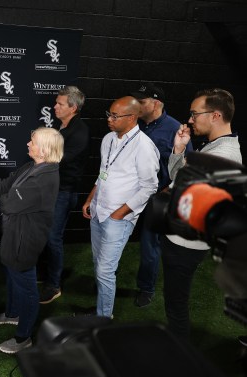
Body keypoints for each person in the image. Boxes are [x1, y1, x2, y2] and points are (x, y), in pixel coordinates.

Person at [0, 128, 62, 354]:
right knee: (11, 273)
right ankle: (12, 314)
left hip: (25, 241)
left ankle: (23, 338)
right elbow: (1, 188)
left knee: (28, 288)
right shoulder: (31, 167)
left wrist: (2, 197)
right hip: (12, 236)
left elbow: (8, 204)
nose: (28, 144)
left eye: (32, 142)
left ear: (44, 149)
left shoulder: (45, 178)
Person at [162, 88, 242, 340]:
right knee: (174, 300)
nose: (190, 120)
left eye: (195, 114)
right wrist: (179, 150)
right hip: (182, 240)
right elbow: (177, 178)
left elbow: (177, 190)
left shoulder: (222, 155)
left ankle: (178, 360)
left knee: (176, 304)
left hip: (185, 244)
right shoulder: (214, 148)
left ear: (215, 115)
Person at [82, 96, 159, 318]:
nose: (109, 119)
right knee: (99, 265)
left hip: (119, 218)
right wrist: (90, 199)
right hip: (98, 210)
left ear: (132, 118)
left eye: (115, 116)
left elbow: (149, 187)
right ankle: (101, 309)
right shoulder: (107, 139)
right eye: (109, 114)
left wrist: (120, 213)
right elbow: (103, 173)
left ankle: (104, 318)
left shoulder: (144, 146)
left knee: (105, 271)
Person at [129, 82, 192, 308]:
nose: (136, 105)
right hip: (128, 195)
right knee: (115, 240)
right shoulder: (133, 124)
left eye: (142, 101)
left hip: (156, 198)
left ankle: (146, 288)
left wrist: (166, 192)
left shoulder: (176, 129)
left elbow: (187, 169)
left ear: (156, 104)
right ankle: (107, 279)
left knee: (149, 245)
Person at [39, 86, 89, 304]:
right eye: (56, 102)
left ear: (73, 107)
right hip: (52, 190)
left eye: (60, 104)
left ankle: (54, 285)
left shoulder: (80, 132)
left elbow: (60, 158)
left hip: (64, 192)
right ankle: (47, 275)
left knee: (53, 237)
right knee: (45, 235)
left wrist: (41, 154)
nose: (55, 106)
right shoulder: (63, 126)